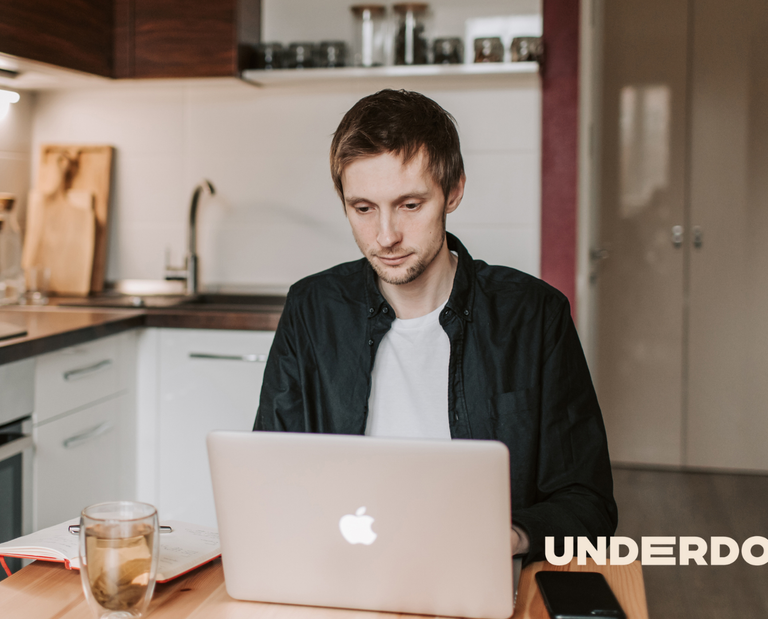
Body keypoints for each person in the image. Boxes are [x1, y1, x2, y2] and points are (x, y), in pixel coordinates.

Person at [252, 89, 617, 562]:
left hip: (476, 572)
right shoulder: (311, 309)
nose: (386, 236)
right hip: (340, 569)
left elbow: (589, 504)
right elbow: (267, 479)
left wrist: (510, 537)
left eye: (409, 205)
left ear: (454, 191)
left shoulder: (534, 315)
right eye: (363, 208)